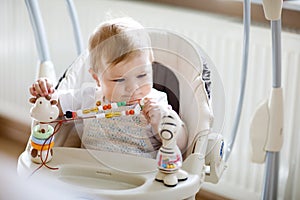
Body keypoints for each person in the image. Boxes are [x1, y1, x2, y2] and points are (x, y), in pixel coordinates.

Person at [29, 17, 187, 158]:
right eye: (119, 80)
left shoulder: (157, 103)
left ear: (151, 64)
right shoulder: (88, 97)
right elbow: (54, 106)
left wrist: (162, 121)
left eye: (141, 76)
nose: (133, 88)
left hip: (138, 183)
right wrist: (46, 94)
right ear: (97, 79)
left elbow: (181, 145)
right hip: (89, 175)